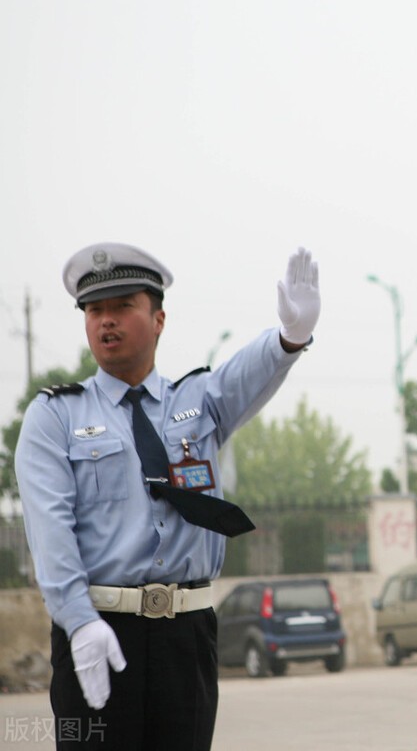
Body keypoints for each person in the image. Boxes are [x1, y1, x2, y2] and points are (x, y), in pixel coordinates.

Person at [16, 243, 320, 750]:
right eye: (94, 311)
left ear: (157, 319)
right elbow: (51, 534)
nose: (106, 322)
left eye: (121, 307)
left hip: (187, 633)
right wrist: (78, 622)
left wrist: (291, 337)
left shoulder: (197, 401)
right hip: (100, 633)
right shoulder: (56, 416)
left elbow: (245, 375)